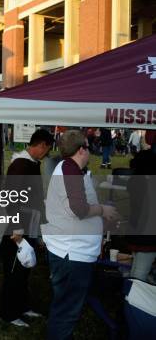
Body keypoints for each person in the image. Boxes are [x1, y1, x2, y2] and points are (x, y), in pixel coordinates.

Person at [42, 130, 120, 340]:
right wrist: (102, 210)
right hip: (72, 254)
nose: (90, 152)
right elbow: (79, 208)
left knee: (64, 307)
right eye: (88, 147)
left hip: (70, 251)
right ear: (81, 150)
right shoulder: (69, 169)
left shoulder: (69, 168)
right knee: (67, 311)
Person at [0, 129, 54, 327]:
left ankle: (21, 306)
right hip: (16, 228)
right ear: (41, 145)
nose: (46, 154)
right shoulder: (20, 165)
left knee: (24, 269)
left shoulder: (30, 164)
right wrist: (17, 228)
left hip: (27, 225)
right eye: (46, 150)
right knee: (14, 271)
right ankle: (8, 313)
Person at [127, 150, 156, 282]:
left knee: (136, 268)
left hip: (135, 230)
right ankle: (132, 300)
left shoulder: (134, 180)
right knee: (140, 273)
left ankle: (127, 297)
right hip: (147, 234)